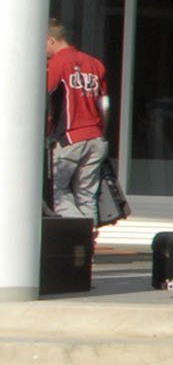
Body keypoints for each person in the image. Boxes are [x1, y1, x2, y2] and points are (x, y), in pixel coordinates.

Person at [43, 20, 111, 222]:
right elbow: (105, 105)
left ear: (50, 40)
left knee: (55, 192)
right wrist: (101, 131)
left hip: (70, 138)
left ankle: (80, 231)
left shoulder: (57, 63)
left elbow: (43, 96)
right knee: (87, 196)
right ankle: (89, 237)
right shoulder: (95, 64)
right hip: (96, 137)